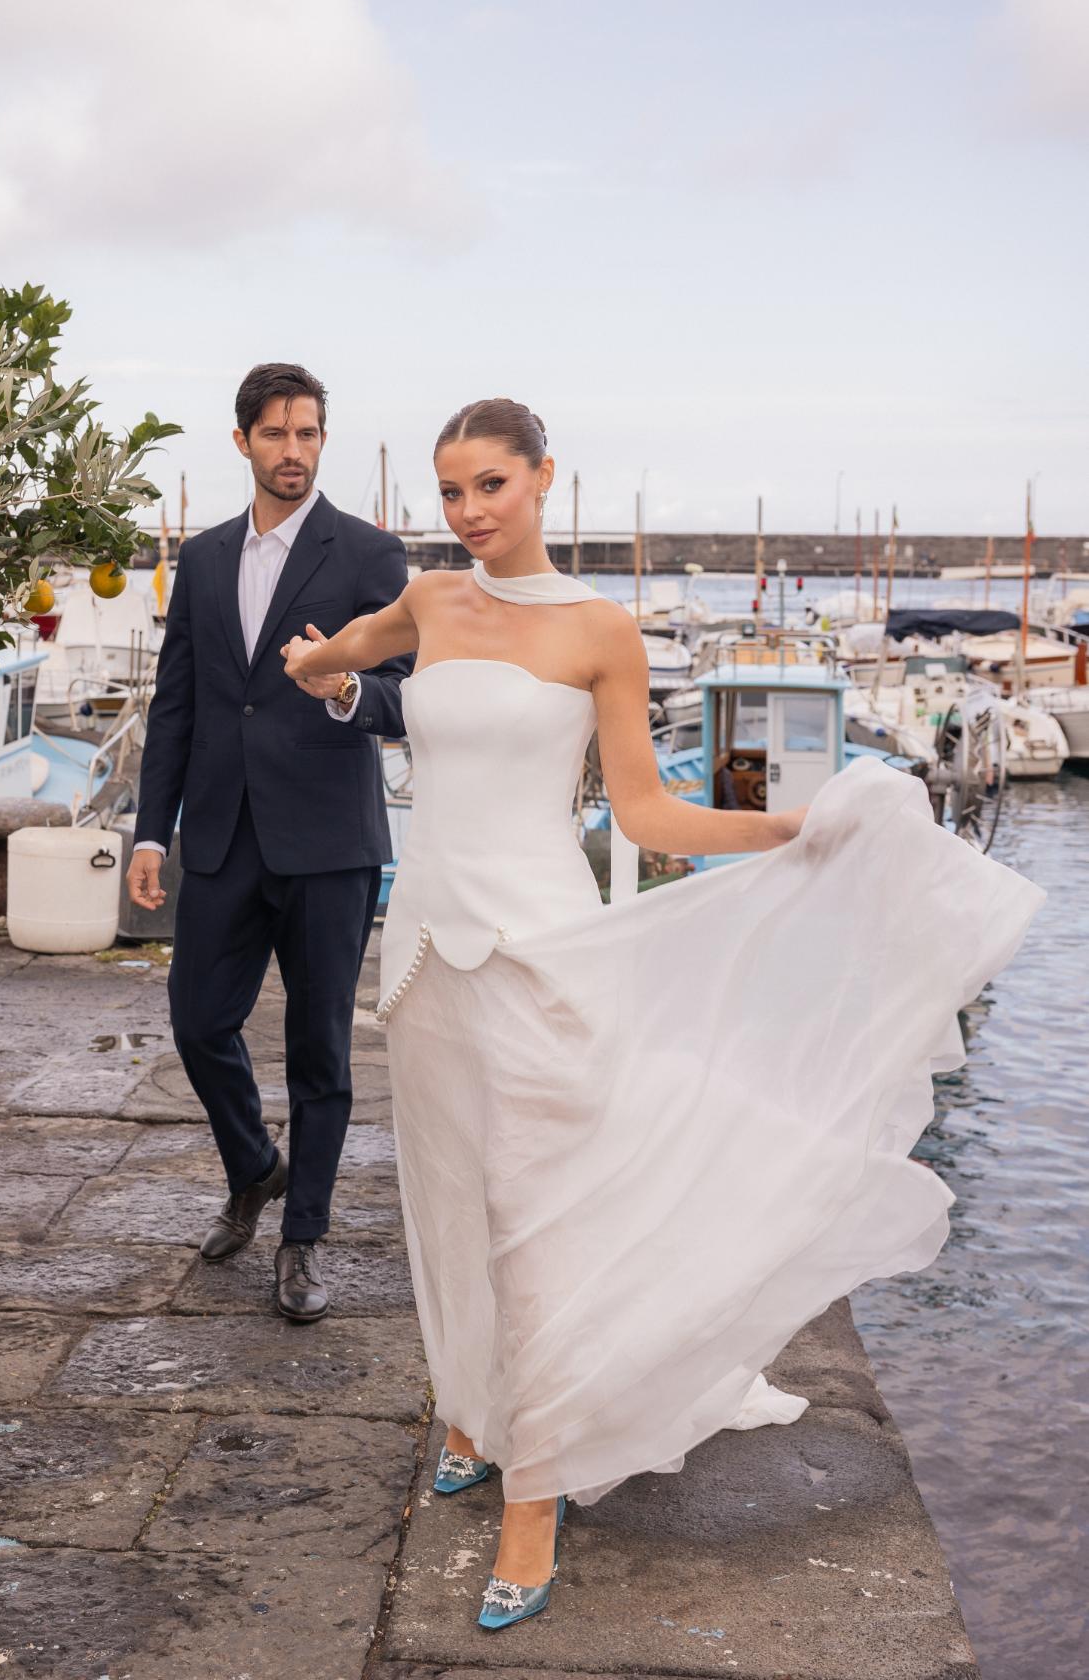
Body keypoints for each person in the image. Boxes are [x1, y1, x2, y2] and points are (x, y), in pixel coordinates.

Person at [282, 397, 1043, 1633]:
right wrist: (313, 664)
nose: (471, 512)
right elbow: (352, 649)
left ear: (542, 481)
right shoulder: (429, 601)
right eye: (453, 492)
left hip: (537, 949)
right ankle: (470, 1408)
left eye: (491, 485)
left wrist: (793, 829)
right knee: (445, 1190)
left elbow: (646, 818)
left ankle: (537, 1495)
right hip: (420, 943)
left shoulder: (600, 630)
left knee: (533, 1218)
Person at [129, 363, 410, 1323]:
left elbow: (403, 693)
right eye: (277, 434)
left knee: (320, 1052)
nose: (294, 451)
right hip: (219, 834)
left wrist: (340, 690)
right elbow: (177, 706)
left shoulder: (369, 555)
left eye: (309, 433)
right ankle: (254, 1168)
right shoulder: (204, 560)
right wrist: (148, 831)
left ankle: (302, 1244)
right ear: (242, 440)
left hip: (330, 840)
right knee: (199, 1021)